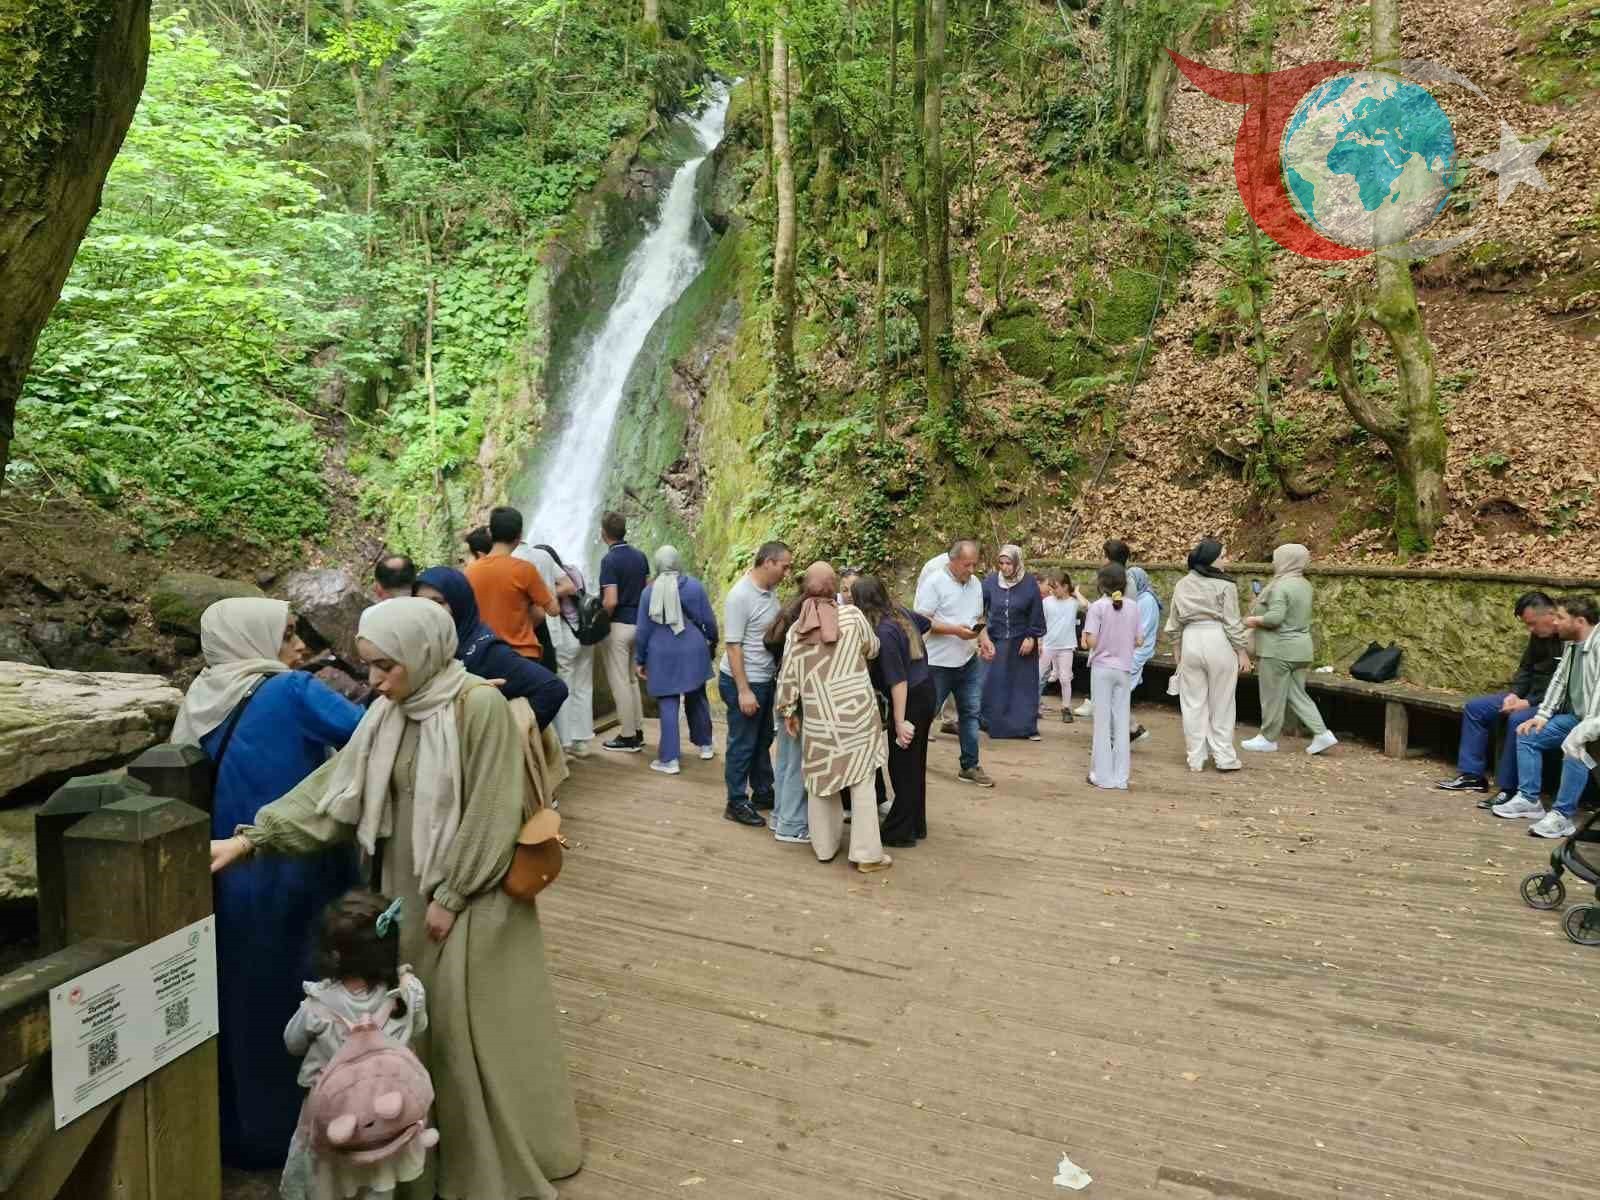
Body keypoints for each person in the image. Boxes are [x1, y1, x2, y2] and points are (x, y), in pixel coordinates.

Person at [210, 599, 584, 1200]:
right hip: (403, 889)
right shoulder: (392, 711)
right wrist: (253, 839)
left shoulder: (476, 705)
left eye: (387, 666)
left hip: (468, 896)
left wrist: (453, 894)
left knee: (463, 1032)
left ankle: (473, 1164)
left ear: (423, 653)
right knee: (411, 1026)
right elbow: (333, 790)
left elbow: (491, 808)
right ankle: (414, 1158)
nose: (376, 681)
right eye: (370, 667)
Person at [169, 598, 365, 1169]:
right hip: (297, 867)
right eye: (285, 635)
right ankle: (304, 1130)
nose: (300, 646)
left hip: (229, 873)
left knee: (244, 999)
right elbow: (370, 735)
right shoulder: (290, 691)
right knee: (309, 1002)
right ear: (252, 639)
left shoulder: (205, 697)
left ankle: (242, 1130)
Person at [280, 890, 431, 1200]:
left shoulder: (318, 1007)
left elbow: (292, 1043)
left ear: (334, 955)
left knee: (326, 1181)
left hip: (332, 1116)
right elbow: (421, 1026)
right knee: (378, 1176)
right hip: (387, 1115)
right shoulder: (409, 992)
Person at [776, 563, 893, 873]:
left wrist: (787, 709)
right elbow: (873, 648)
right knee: (862, 779)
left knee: (820, 779)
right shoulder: (853, 617)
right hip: (856, 713)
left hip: (818, 717)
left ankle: (825, 847)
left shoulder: (795, 632)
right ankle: (867, 854)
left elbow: (788, 676)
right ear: (834, 587)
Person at [1436, 591, 1562, 807]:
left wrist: (1528, 703)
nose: (1530, 629)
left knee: (1517, 721)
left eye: (1533, 624)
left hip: (1550, 704)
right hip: (1527, 696)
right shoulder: (1538, 636)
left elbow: (1562, 683)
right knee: (1476, 708)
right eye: (1527, 625)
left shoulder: (1568, 637)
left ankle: (1509, 789)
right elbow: (1526, 669)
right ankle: (1472, 775)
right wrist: (1514, 694)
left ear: (1550, 613)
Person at [1492, 596, 1600, 839]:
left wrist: (1582, 731)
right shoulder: (1572, 643)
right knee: (1528, 732)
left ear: (1580, 621)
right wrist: (1541, 716)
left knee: (1576, 743)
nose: (1555, 622)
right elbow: (1559, 681)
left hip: (1595, 722)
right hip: (1580, 718)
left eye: (1561, 617)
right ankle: (1529, 800)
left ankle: (1562, 815)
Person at [413, 566, 569, 730]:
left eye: (438, 602)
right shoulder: (425, 649)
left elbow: (552, 689)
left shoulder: (485, 652)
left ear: (459, 603)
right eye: (420, 603)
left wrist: (500, 737)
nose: (428, 610)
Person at [854, 575, 935, 847]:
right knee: (914, 763)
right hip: (925, 689)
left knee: (902, 766)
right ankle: (915, 824)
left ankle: (900, 831)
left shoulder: (885, 632)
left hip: (910, 697)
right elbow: (926, 623)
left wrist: (900, 721)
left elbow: (898, 681)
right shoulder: (899, 612)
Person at [718, 541, 794, 825]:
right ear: (768, 562)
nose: (787, 572)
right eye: (784, 566)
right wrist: (744, 691)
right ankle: (735, 802)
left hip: (764, 679)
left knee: (763, 739)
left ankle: (763, 791)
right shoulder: (740, 596)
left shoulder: (769, 591)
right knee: (743, 743)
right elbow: (733, 646)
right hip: (745, 681)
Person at [1240, 544, 1339, 756]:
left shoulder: (1280, 587)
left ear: (1286, 560)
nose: (1274, 562)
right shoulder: (1305, 585)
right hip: (1301, 649)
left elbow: (1275, 618)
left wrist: (1252, 620)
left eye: (1277, 558)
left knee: (1271, 696)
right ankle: (1322, 734)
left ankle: (1267, 738)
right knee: (1296, 694)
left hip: (1278, 649)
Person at [915, 539, 996, 786]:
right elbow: (922, 620)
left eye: (974, 565)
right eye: (966, 565)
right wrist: (954, 630)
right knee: (926, 714)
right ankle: (913, 761)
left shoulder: (975, 584)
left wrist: (984, 638)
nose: (971, 570)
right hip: (938, 662)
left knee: (970, 713)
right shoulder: (934, 583)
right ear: (952, 561)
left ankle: (970, 765)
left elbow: (977, 617)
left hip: (968, 659)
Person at [1167, 539, 1252, 772]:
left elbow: (1174, 623)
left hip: (1191, 641)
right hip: (1218, 640)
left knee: (1193, 703)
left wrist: (1178, 653)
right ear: (1212, 559)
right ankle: (1224, 756)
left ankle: (1195, 757)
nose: (1226, 559)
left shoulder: (1182, 584)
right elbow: (1232, 622)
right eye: (1223, 555)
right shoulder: (1226, 585)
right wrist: (1242, 652)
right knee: (1222, 702)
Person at [635, 546, 719, 776]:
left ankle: (670, 759)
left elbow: (642, 631)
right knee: (697, 696)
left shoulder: (648, 593)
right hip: (693, 648)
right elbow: (708, 621)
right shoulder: (693, 586)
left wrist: (640, 659)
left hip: (661, 653)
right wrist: (712, 641)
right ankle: (706, 746)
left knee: (668, 703)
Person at [524, 542, 596, 758]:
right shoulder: (574, 569)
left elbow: (559, 597)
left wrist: (542, 592)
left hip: (565, 636)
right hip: (585, 634)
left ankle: (564, 743)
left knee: (563, 687)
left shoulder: (552, 577)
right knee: (584, 687)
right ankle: (582, 741)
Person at [463, 507, 557, 663]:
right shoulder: (525, 569)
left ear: (491, 534)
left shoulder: (470, 571)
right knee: (556, 687)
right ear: (519, 536)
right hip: (521, 655)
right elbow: (553, 610)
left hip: (486, 654)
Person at [1084, 564, 1143, 790]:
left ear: (1101, 584)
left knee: (1102, 722)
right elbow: (1139, 640)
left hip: (1101, 668)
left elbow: (1091, 641)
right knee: (1121, 722)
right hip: (1123, 668)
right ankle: (1121, 778)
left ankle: (1101, 775)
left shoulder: (1098, 607)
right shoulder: (1133, 607)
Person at [980, 544, 1047, 741]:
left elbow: (1036, 612)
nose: (1005, 567)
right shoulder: (992, 581)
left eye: (1009, 563)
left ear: (1016, 563)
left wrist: (1031, 637)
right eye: (1001, 563)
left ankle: (1025, 727)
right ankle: (996, 725)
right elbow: (979, 607)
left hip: (1022, 642)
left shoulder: (1028, 583)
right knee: (997, 683)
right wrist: (983, 635)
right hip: (998, 640)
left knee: (1022, 686)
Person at [596, 511, 650, 753]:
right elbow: (648, 589)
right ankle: (637, 730)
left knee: (619, 682)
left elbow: (610, 601)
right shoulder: (640, 556)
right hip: (639, 624)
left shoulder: (609, 561)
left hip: (618, 626)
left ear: (604, 533)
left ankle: (627, 736)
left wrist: (600, 621)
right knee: (631, 680)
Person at [763, 594, 810, 844]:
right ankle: (792, 825)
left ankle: (779, 815)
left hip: (780, 689)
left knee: (783, 759)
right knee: (796, 761)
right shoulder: (806, 620)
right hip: (794, 697)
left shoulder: (790, 609)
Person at [1039, 572, 1086, 722]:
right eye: (1051, 587)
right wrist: (1039, 641)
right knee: (1038, 675)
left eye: (1056, 587)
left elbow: (1086, 605)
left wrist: (1076, 593)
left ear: (1065, 587)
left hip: (1066, 646)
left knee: (1065, 678)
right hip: (1048, 644)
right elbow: (1041, 623)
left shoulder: (1073, 603)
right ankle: (1033, 706)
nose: (1053, 590)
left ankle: (1066, 708)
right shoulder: (1046, 602)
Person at [1127, 567, 1161, 743]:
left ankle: (1132, 729)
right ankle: (1133, 729)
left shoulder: (1147, 600)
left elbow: (1143, 630)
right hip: (1130, 647)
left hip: (1140, 649)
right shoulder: (1135, 598)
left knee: (1121, 692)